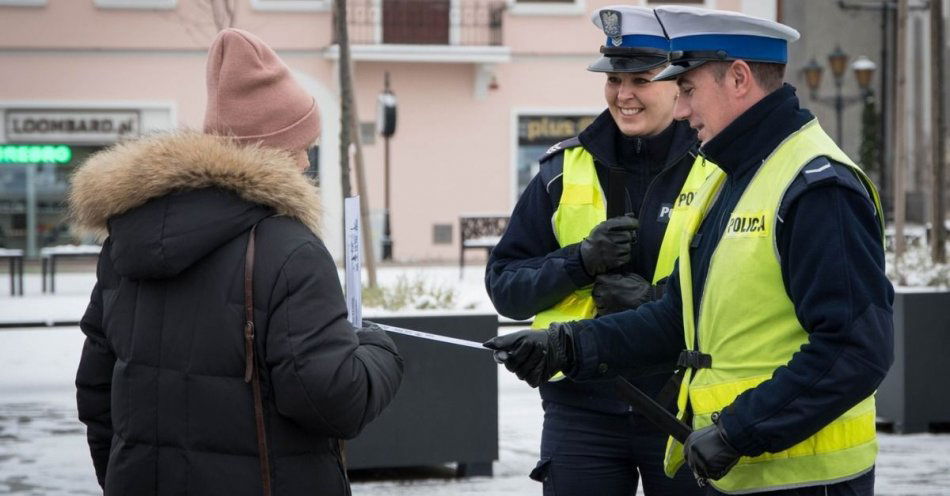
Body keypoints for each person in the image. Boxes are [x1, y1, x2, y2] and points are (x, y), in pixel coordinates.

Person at [486, 6, 893, 496]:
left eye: (687, 89)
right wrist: (566, 344)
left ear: (739, 78)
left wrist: (736, 431)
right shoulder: (734, 178)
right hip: (739, 467)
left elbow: (855, 350)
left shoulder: (814, 188)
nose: (681, 109)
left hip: (803, 479)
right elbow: (680, 317)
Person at [71, 28, 403, 495]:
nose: (306, 163)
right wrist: (379, 350)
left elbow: (97, 393)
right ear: (268, 152)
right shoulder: (290, 250)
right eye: (299, 146)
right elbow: (331, 401)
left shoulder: (124, 243)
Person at [485, 6, 712, 495]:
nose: (623, 94)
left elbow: (737, 295)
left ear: (678, 83)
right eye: (613, 78)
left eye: (640, 79)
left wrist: (653, 307)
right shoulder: (561, 170)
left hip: (682, 402)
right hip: (580, 406)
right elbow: (506, 289)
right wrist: (579, 262)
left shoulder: (715, 170)